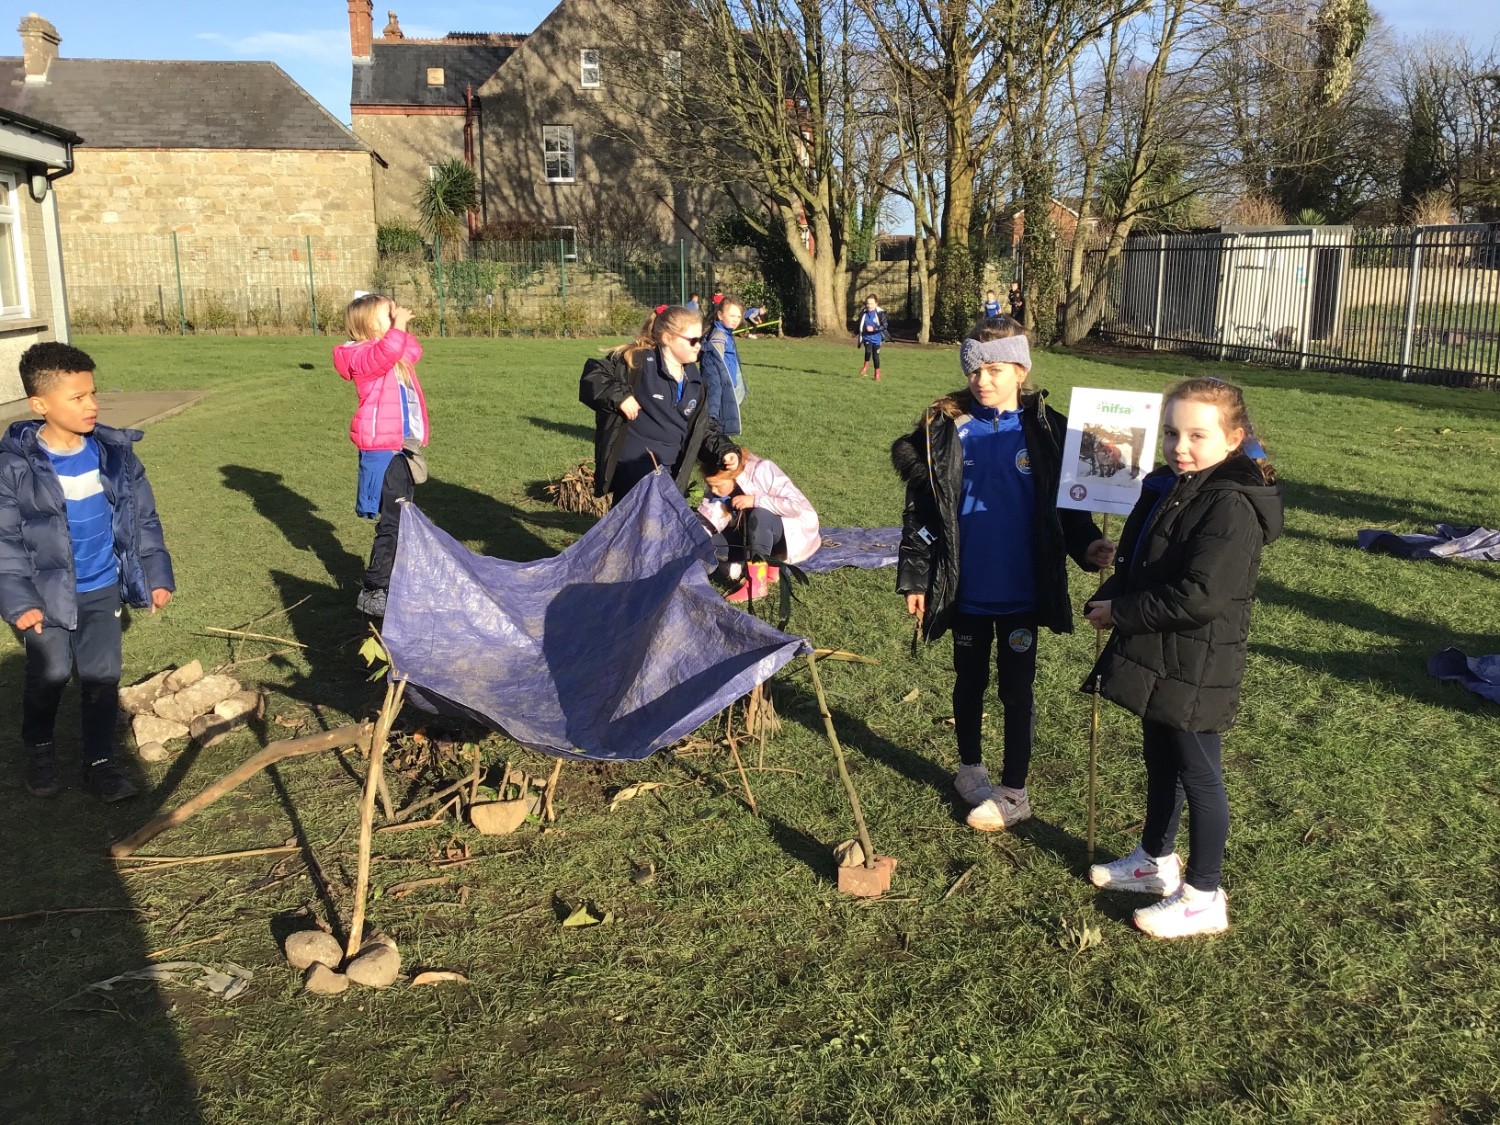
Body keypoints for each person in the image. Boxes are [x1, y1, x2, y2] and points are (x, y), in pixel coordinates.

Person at [892, 316, 1112, 832]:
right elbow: (921, 513)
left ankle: (1014, 790)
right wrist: (916, 577)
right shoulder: (943, 431)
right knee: (968, 681)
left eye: (994, 370)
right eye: (974, 370)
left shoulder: (1050, 430)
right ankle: (970, 767)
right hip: (965, 588)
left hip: (1022, 591)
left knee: (1017, 689)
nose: (982, 380)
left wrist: (1088, 545)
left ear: (1020, 370)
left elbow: (1070, 510)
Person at [1082, 377, 1282, 940]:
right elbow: (1147, 560)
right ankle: (1154, 859)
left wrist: (1122, 612)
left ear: (1234, 439)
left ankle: (1203, 896)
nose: (1181, 446)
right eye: (1172, 433)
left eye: (1198, 435)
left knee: (1200, 774)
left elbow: (1201, 596)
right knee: (1162, 759)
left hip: (1198, 661)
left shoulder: (1231, 504)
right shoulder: (1175, 485)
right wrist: (1113, 592)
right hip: (1161, 651)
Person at [0, 342, 174, 803]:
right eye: (77, 397)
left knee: (101, 676)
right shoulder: (13, 467)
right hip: (44, 595)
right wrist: (19, 600)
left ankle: (100, 763)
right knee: (52, 673)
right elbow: (5, 541)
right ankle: (40, 748)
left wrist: (155, 574)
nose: (92, 404)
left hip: (102, 588)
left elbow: (142, 519)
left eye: (93, 393)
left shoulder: (114, 454)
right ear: (40, 405)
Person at [580, 304, 740, 505]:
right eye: (693, 340)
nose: (699, 345)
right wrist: (620, 396)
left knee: (656, 522)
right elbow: (593, 375)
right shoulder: (637, 362)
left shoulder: (696, 382)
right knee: (644, 519)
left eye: (701, 339)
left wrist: (724, 450)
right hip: (633, 466)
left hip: (668, 469)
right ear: (667, 338)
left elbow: (702, 427)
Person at [333, 293, 429, 618]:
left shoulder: (388, 351)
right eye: (386, 315)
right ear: (369, 325)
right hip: (382, 448)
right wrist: (396, 326)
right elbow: (386, 352)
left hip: (401, 444)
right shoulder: (360, 356)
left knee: (403, 517)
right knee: (393, 520)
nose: (394, 317)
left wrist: (397, 326)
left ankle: (394, 583)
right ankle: (374, 590)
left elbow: (412, 351)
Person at [698, 444, 819, 603]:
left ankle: (756, 584)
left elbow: (795, 506)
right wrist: (693, 541)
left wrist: (755, 500)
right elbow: (708, 520)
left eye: (717, 485)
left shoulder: (762, 470)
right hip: (754, 533)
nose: (713, 490)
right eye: (710, 485)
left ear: (732, 475)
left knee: (759, 515)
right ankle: (769, 566)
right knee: (712, 543)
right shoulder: (718, 489)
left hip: (791, 532)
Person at [701, 298, 747, 437]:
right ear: (720, 315)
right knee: (718, 427)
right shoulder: (719, 336)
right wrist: (712, 414)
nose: (736, 320)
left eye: (738, 316)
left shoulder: (727, 334)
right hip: (721, 387)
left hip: (728, 385)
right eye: (732, 315)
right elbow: (714, 368)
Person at [856, 294, 888, 382]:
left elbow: (885, 326)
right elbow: (859, 323)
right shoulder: (864, 313)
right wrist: (856, 332)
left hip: (877, 338)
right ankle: (865, 368)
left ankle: (877, 375)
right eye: (868, 303)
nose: (869, 305)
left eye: (871, 304)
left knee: (875, 356)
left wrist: (874, 329)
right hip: (867, 337)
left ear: (876, 304)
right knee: (868, 351)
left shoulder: (880, 314)